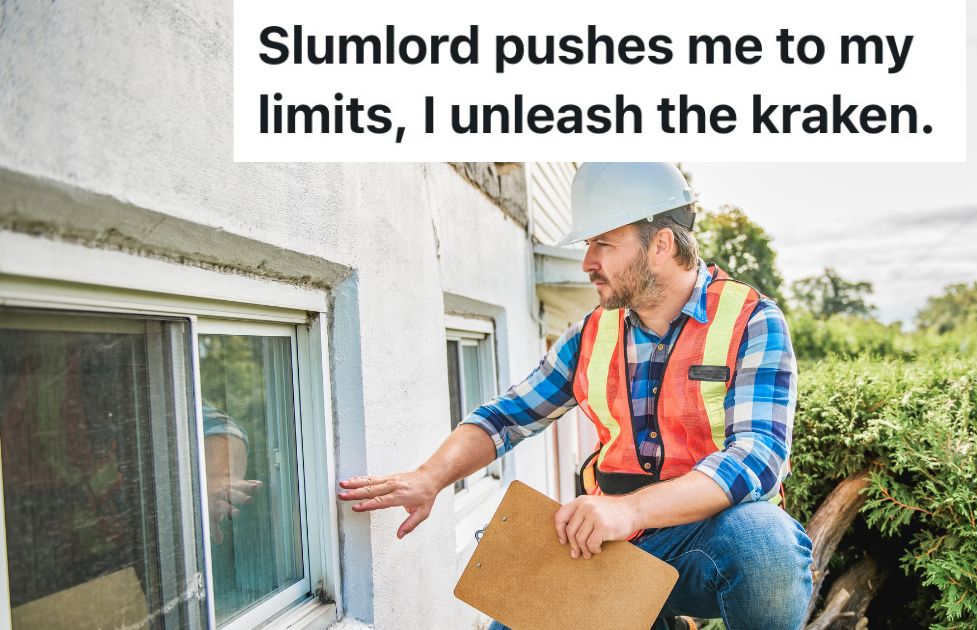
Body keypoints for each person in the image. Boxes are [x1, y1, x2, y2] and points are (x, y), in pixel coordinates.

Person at [337, 162, 813, 628]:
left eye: (603, 243)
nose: (588, 263)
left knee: (766, 545)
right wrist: (430, 477)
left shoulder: (751, 321)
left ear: (661, 244)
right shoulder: (590, 335)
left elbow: (758, 457)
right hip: (610, 544)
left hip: (706, 542)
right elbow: (505, 418)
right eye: (588, 245)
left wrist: (628, 511)